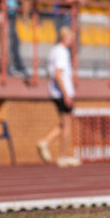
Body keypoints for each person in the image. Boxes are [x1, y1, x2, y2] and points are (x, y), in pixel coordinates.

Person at [37, 26, 80, 167]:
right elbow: (58, 73)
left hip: (55, 91)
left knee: (63, 123)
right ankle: (63, 156)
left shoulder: (54, 50)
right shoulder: (62, 52)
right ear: (66, 37)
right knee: (67, 124)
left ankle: (45, 142)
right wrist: (66, 93)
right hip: (61, 92)